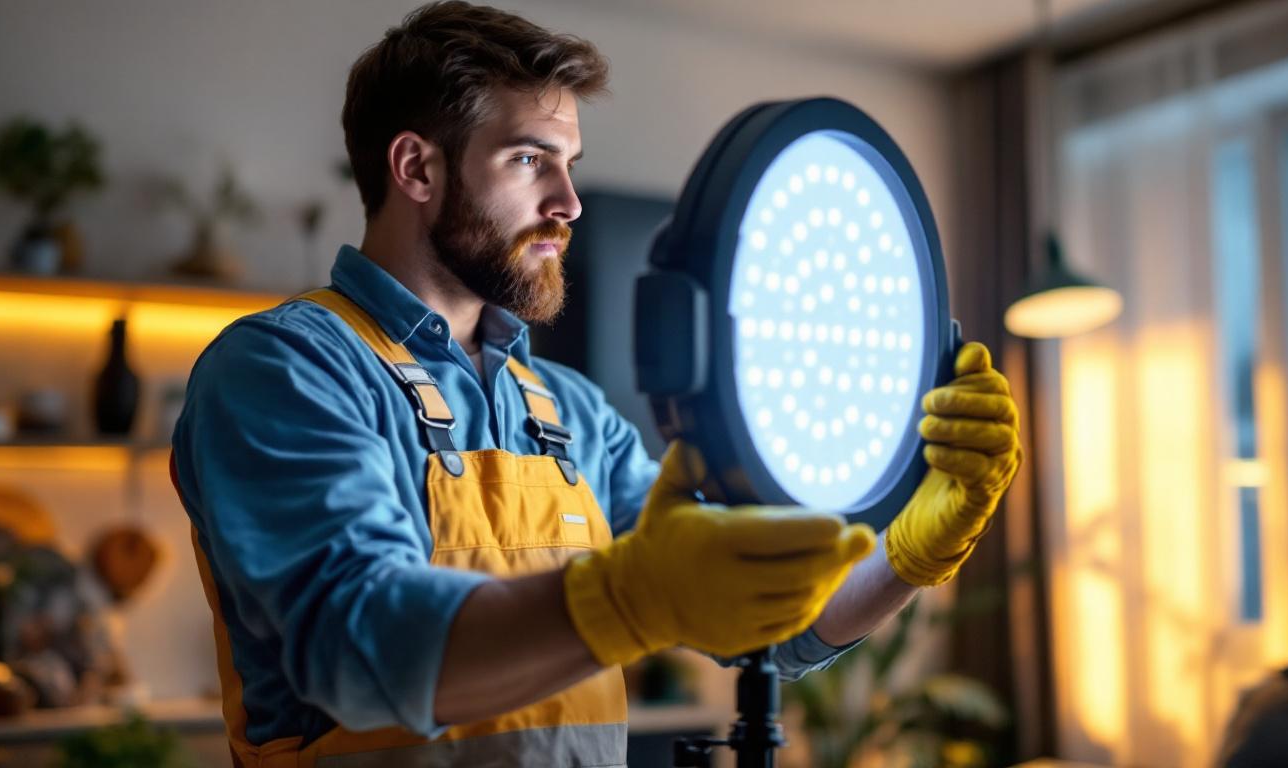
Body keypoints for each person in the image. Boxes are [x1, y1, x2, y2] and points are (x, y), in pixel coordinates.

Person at [169, 3, 1023, 766]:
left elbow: (772, 622)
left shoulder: (570, 413)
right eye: (530, 159)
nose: (569, 201)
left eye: (570, 161)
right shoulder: (286, 371)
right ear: (417, 170)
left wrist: (910, 551)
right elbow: (361, 651)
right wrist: (627, 597)